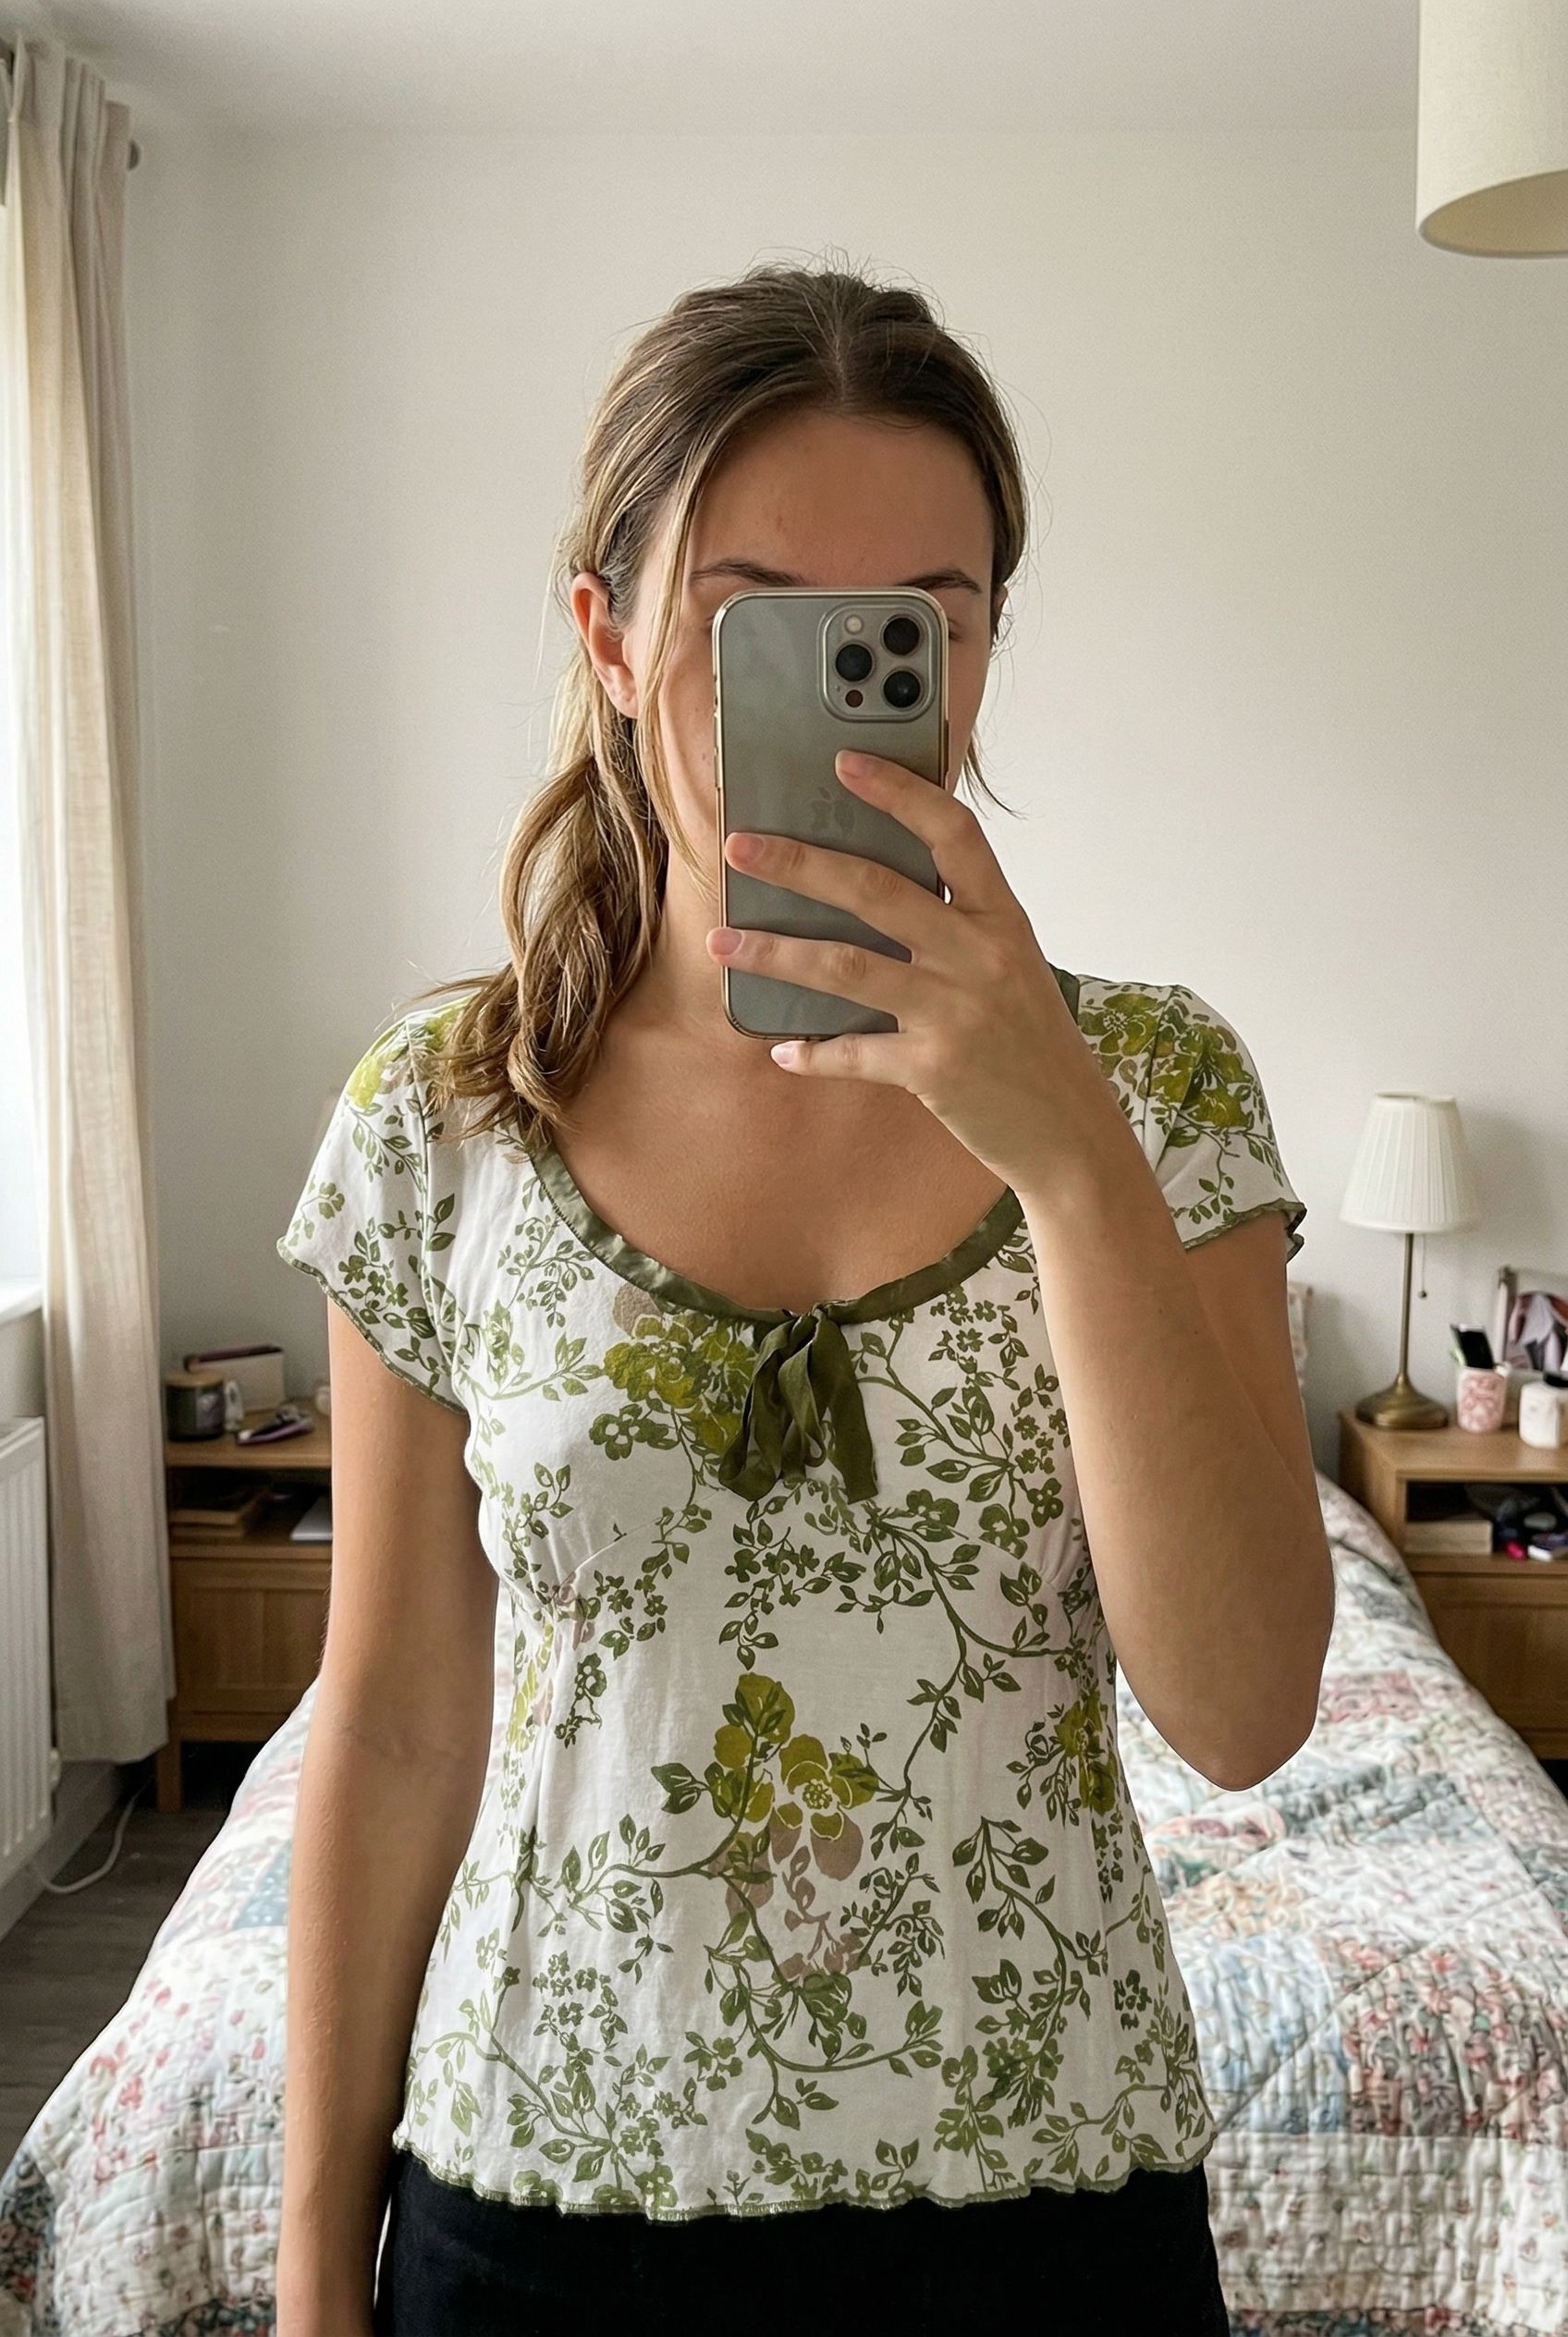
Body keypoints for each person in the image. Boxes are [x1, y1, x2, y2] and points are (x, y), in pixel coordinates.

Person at [272, 259, 1334, 2337]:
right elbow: (392, 1722)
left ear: (980, 651)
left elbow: (1239, 1708)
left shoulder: (1159, 1089)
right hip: (536, 2199)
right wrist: (314, 2274)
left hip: (1046, 2199)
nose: (852, 678)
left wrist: (1061, 1153)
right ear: (609, 633)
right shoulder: (444, 1118)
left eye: (912, 625)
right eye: (761, 615)